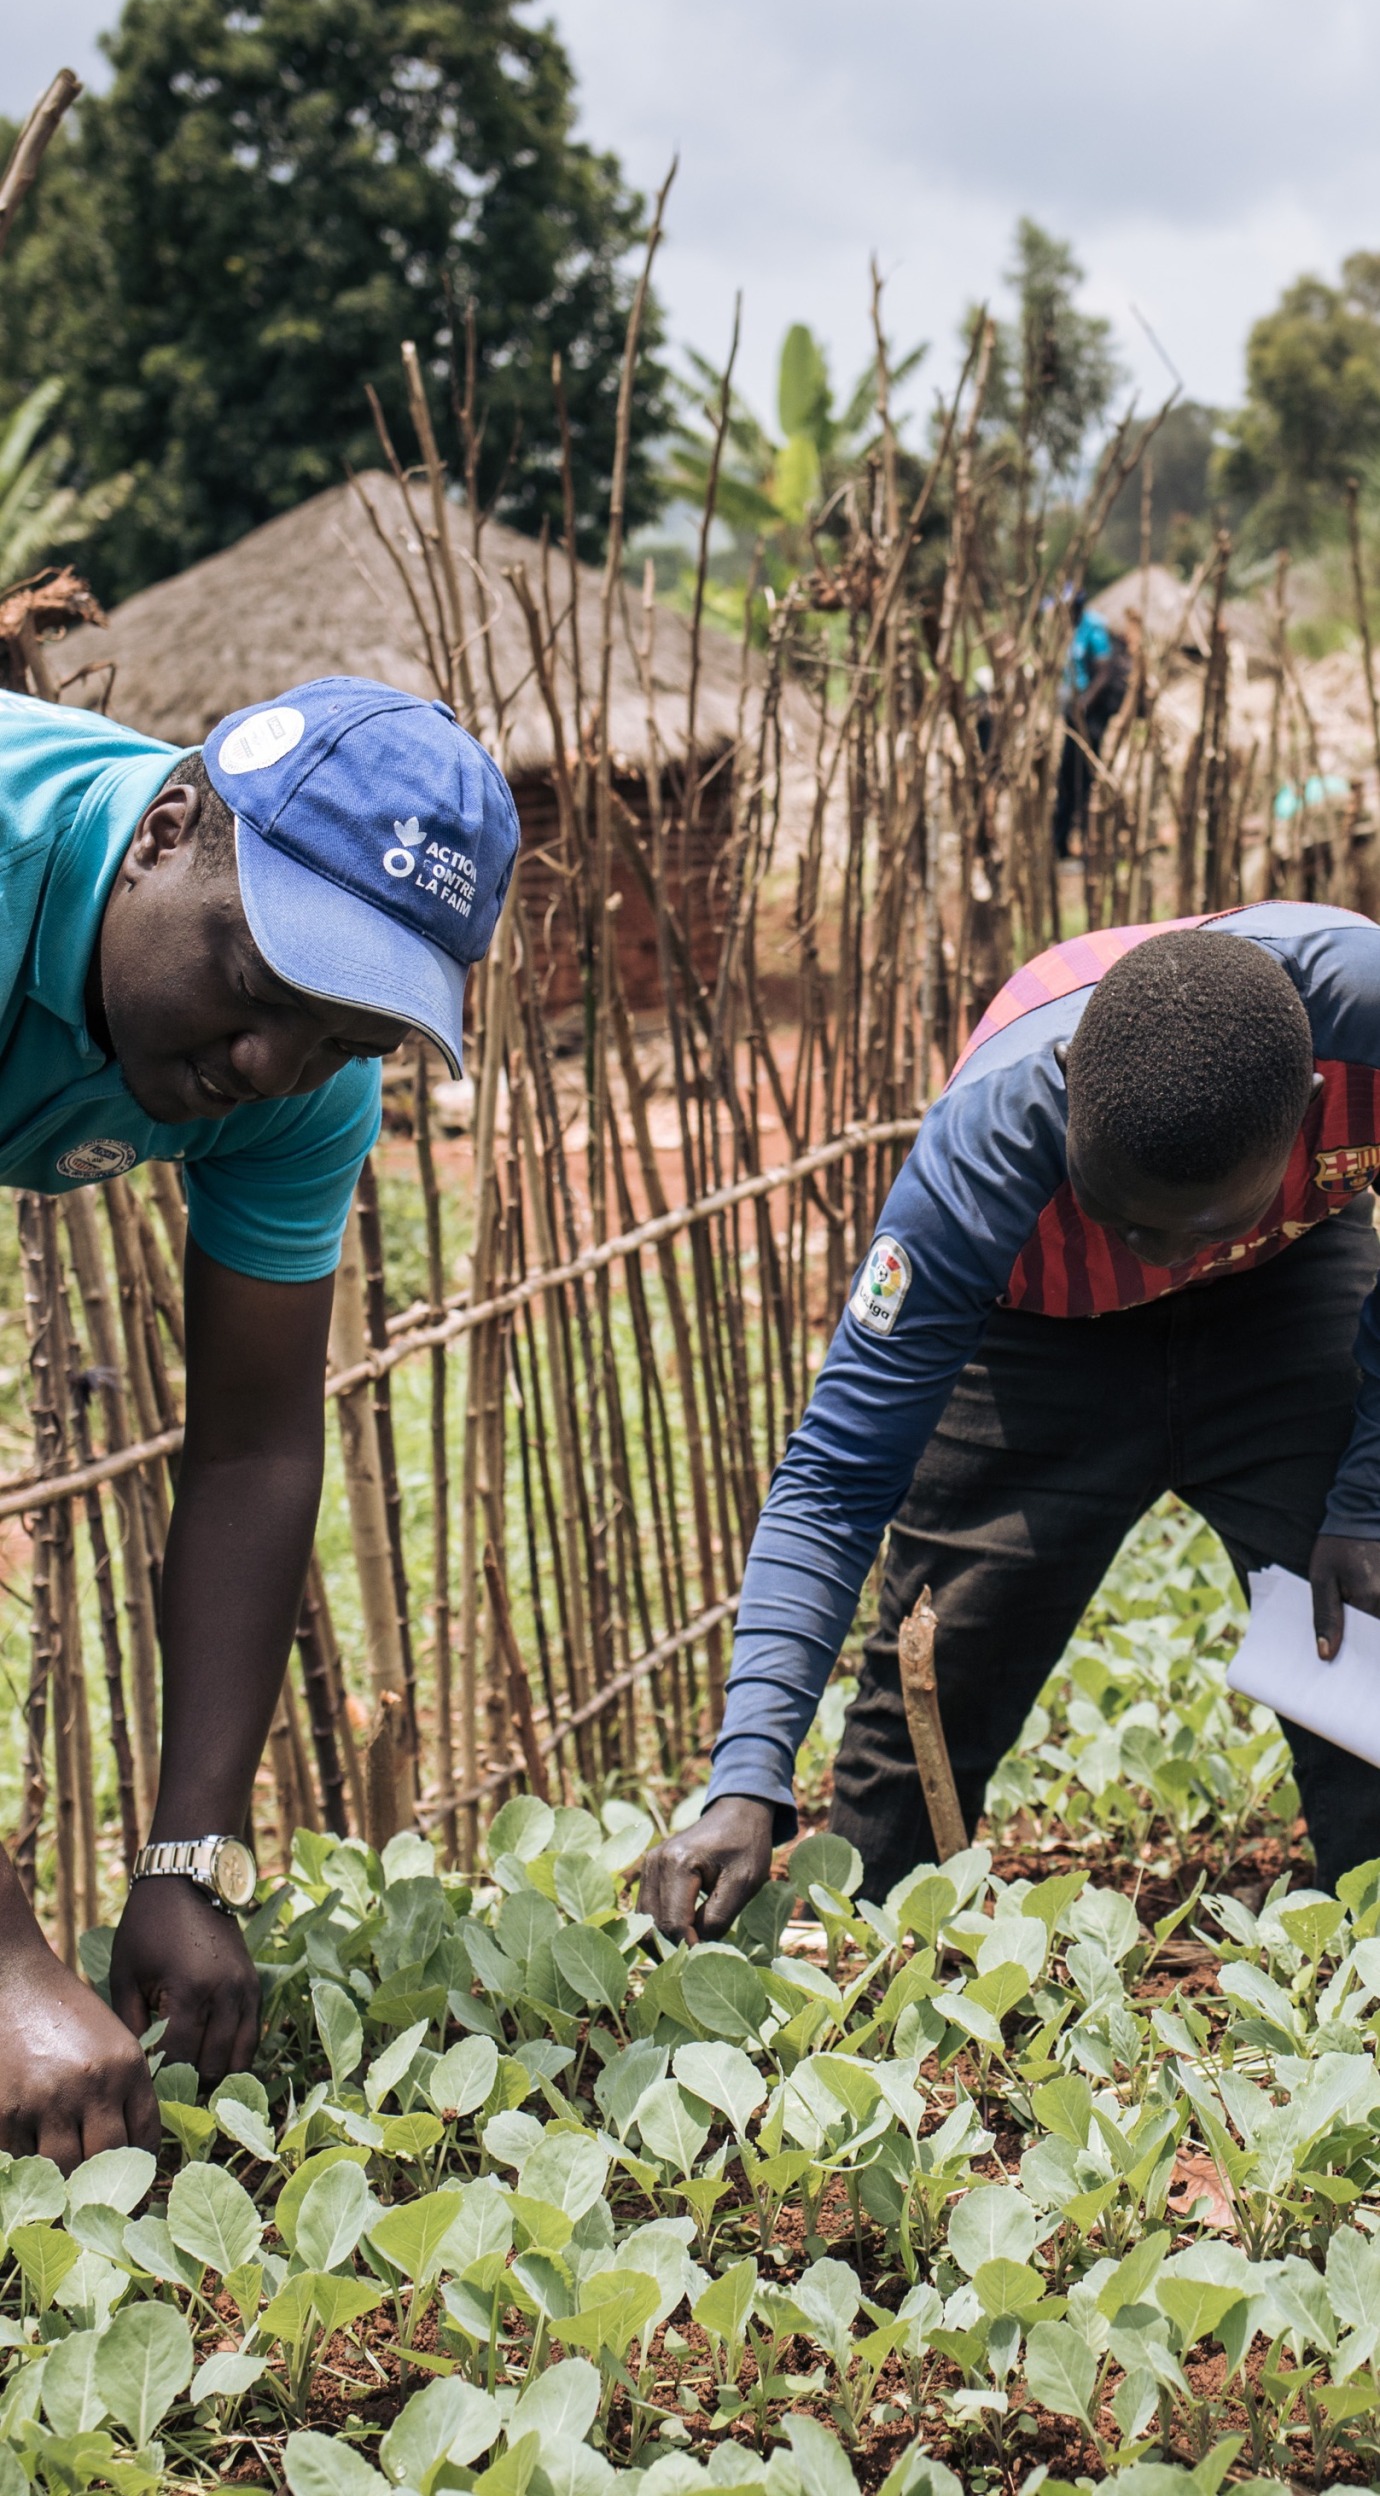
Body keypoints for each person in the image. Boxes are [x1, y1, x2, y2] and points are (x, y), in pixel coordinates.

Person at [0, 676, 517, 2165]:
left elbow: (254, 1444)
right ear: (168, 830)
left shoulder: (293, 1078)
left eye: (339, 1042)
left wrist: (186, 1857)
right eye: (254, 986)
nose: (262, 1071)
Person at [641, 905, 1380, 1942]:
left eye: (1189, 1227)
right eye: (1120, 1217)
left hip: (1284, 1283)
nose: (1155, 1259)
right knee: (931, 1694)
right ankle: (877, 1957)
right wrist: (748, 1771)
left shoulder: (1367, 1022)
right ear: (1072, 1084)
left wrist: (1367, 1491)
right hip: (1038, 1330)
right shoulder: (980, 1152)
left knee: (1362, 1627)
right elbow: (836, 1478)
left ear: (1304, 1113)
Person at [1053, 590, 1127, 861]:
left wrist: (1084, 704)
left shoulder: (1093, 628)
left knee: (1084, 780)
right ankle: (1061, 844)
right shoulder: (1067, 630)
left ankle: (1086, 844)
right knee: (1066, 778)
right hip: (1072, 714)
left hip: (1090, 718)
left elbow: (1104, 671)